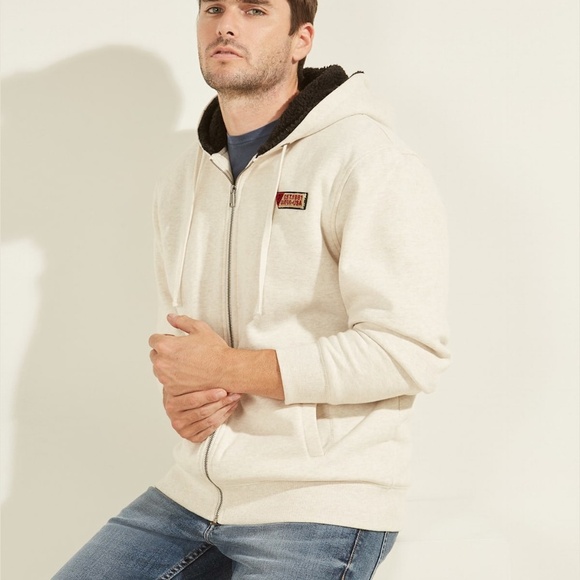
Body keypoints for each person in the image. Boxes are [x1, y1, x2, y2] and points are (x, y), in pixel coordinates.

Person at [54, 0, 450, 578]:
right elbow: (189, 343)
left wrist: (228, 368)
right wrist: (185, 397)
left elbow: (407, 351)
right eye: (213, 8)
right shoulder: (183, 178)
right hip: (191, 495)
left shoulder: (367, 161)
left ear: (301, 39)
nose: (227, 24)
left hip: (317, 507)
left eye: (255, 9)